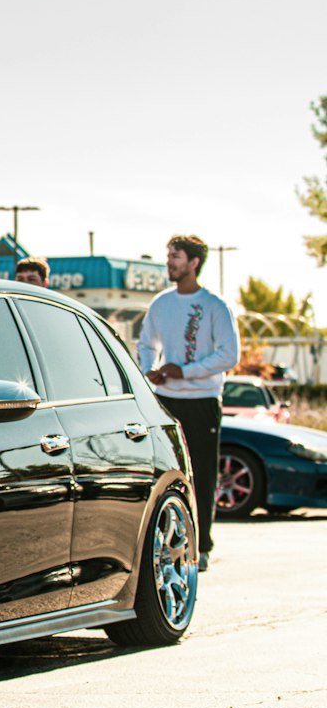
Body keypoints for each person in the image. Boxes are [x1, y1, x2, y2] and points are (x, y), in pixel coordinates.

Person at [137, 235, 239, 572]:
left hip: (202, 401)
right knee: (166, 473)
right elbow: (147, 342)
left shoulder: (214, 305)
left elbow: (229, 355)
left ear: (193, 263)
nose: (169, 262)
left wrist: (186, 371)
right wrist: (149, 369)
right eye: (168, 255)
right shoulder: (161, 304)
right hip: (166, 401)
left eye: (175, 256)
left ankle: (203, 545)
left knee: (202, 474)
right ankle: (167, 542)